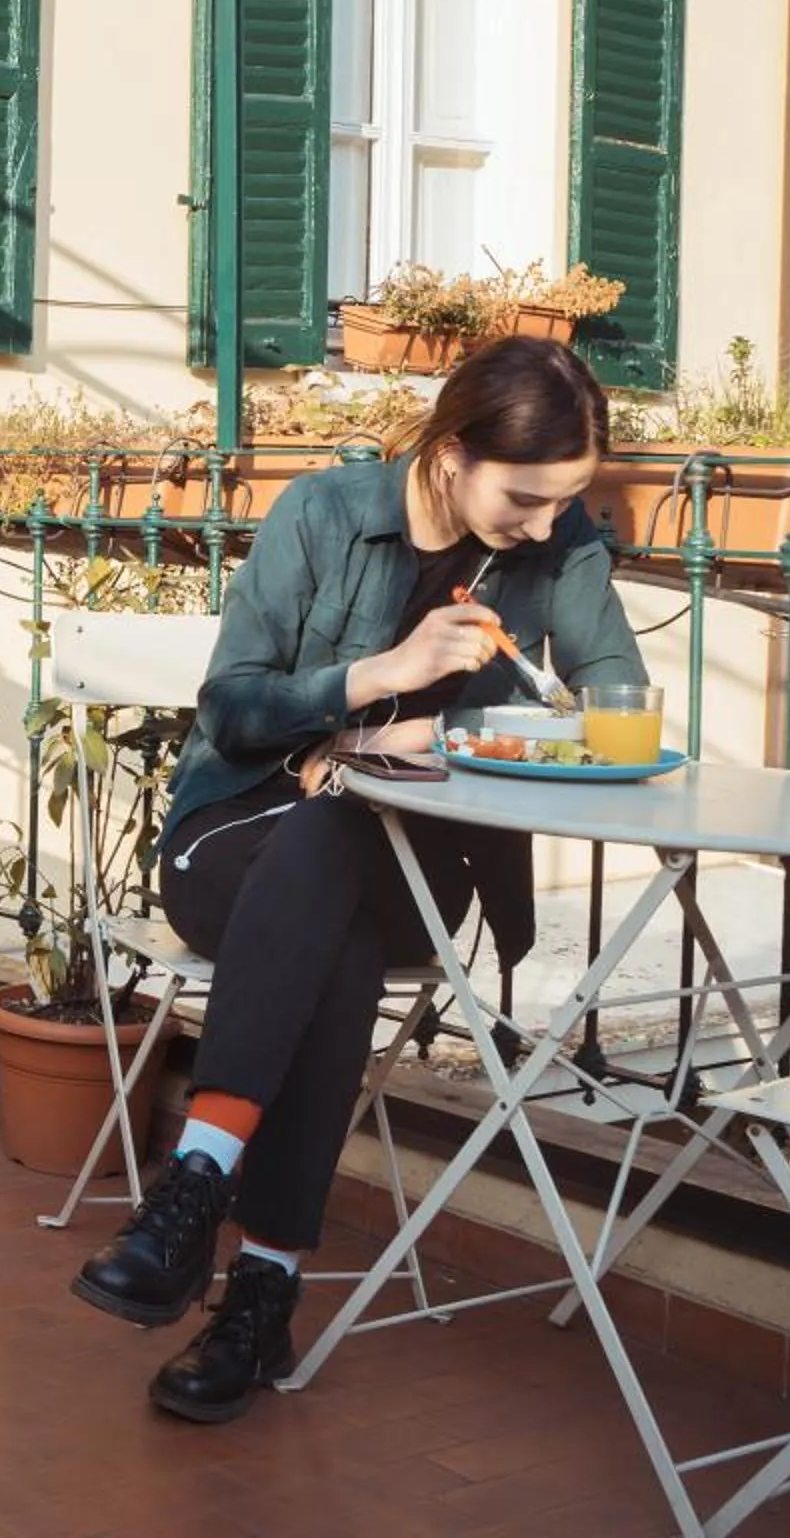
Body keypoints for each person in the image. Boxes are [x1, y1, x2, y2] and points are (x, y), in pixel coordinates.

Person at [70, 335, 647, 1422]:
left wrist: (556, 711)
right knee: (328, 871)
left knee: (342, 842)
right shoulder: (323, 514)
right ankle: (265, 1291)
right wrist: (382, 676)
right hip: (233, 839)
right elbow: (229, 707)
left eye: (560, 503)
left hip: (410, 867)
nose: (540, 524)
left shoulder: (558, 542)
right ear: (451, 450)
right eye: (524, 497)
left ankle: (194, 1184)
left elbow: (614, 674)